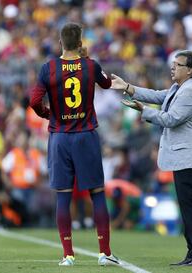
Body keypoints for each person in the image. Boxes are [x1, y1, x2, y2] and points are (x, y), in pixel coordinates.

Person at [111, 50, 192, 266]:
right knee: (188, 206)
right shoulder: (180, 88)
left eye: (178, 64)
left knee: (191, 206)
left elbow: (170, 119)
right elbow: (158, 95)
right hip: (186, 158)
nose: (173, 67)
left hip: (191, 157)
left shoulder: (191, 92)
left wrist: (143, 111)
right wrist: (128, 88)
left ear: (191, 70)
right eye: (173, 63)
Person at [30, 22, 120, 267]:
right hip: (86, 135)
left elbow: (34, 100)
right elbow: (107, 84)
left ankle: (68, 255)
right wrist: (87, 58)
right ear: (80, 43)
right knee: (97, 193)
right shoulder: (91, 66)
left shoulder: (48, 68)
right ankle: (105, 252)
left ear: (60, 43)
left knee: (63, 196)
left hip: (59, 137)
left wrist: (48, 114)